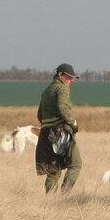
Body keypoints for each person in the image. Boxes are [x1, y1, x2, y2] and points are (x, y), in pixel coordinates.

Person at [35, 63, 81, 193]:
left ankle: (49, 198)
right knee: (76, 164)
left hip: (45, 134)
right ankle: (64, 195)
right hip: (60, 133)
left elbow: (40, 115)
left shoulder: (46, 91)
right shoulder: (62, 89)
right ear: (60, 75)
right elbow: (63, 108)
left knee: (53, 169)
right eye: (69, 77)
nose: (71, 80)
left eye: (73, 78)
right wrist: (73, 123)